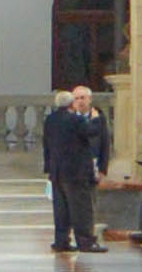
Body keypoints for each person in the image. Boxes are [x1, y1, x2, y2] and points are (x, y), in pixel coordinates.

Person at [40, 82, 106, 257]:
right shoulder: (75, 120)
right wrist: (96, 118)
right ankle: (85, 241)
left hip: (57, 172)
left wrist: (48, 168)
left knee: (61, 209)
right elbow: (92, 131)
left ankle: (61, 241)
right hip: (76, 173)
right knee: (81, 209)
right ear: (71, 104)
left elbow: (45, 145)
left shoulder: (50, 120)